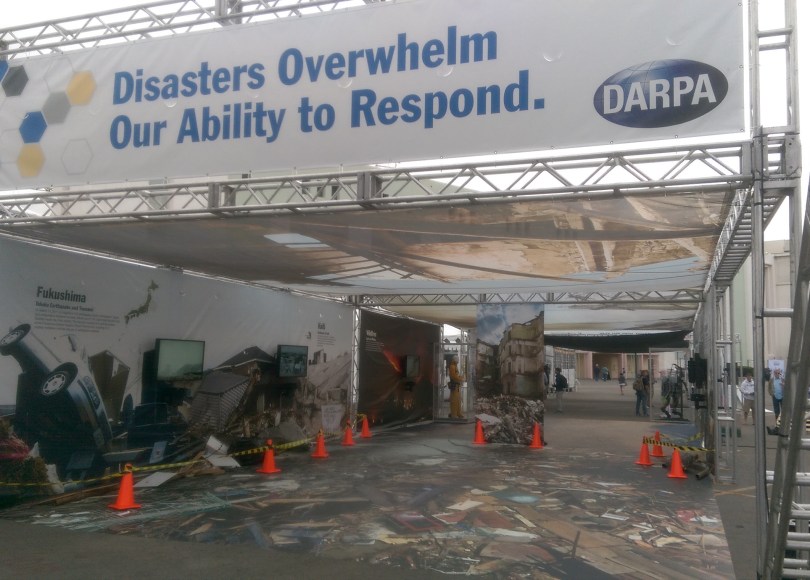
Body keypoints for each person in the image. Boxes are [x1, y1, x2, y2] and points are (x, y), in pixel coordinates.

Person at [448, 355, 465, 419]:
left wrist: (460, 377)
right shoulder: (452, 366)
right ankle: (454, 414)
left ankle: (458, 413)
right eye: (457, 359)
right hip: (454, 386)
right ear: (455, 360)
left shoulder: (455, 366)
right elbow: (454, 376)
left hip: (457, 386)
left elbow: (456, 375)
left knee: (458, 400)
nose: (458, 360)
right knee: (454, 401)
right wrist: (461, 379)